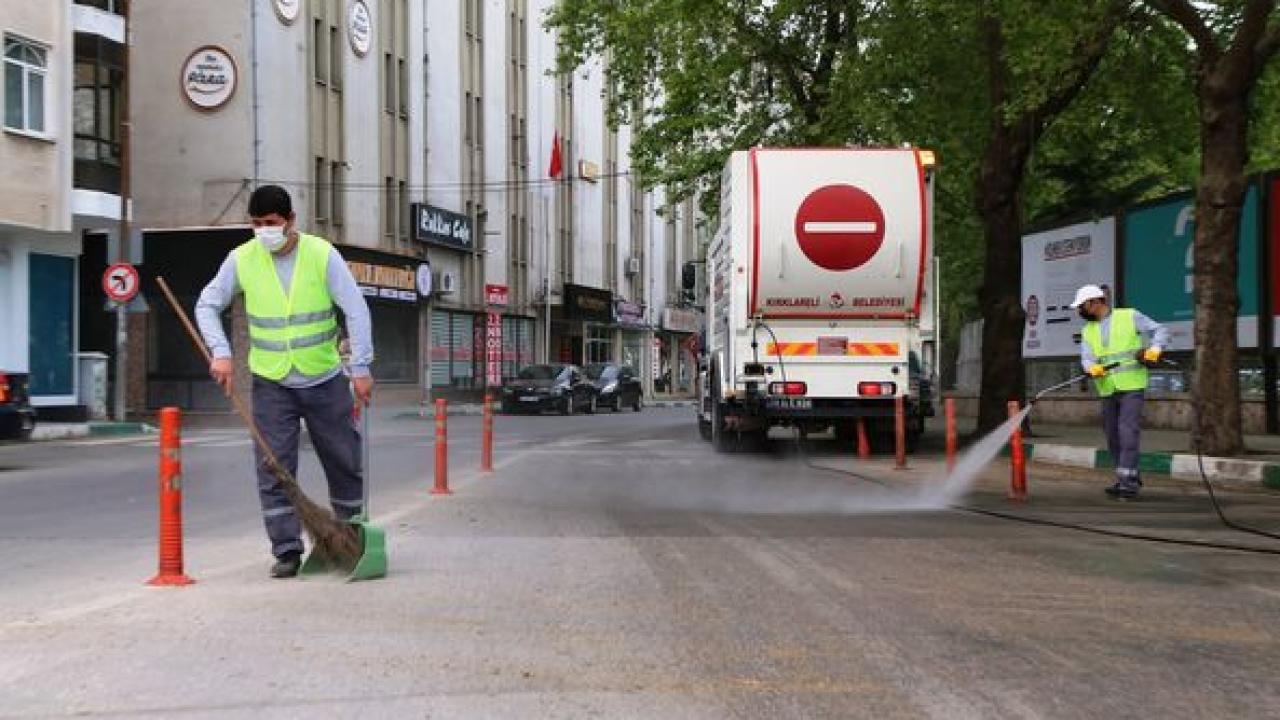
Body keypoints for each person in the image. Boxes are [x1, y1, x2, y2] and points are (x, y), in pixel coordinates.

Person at [196, 185, 375, 577]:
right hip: (272, 383)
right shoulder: (242, 259)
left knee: (344, 461)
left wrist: (360, 368)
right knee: (273, 467)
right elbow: (207, 304)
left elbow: (356, 309)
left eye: (271, 222)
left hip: (324, 379)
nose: (264, 230)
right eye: (256, 224)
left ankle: (350, 539)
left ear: (290, 220)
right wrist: (221, 352)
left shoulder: (321, 254)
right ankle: (287, 550)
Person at [1069, 284, 1169, 500]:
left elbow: (1159, 330)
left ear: (1095, 302)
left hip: (1131, 385)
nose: (1079, 311)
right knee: (1112, 435)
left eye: (1081, 307)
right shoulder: (1088, 331)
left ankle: (1128, 484)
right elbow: (1087, 357)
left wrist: (1155, 349)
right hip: (1107, 388)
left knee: (1127, 432)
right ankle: (1127, 476)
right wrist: (1091, 368)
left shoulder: (1129, 316)